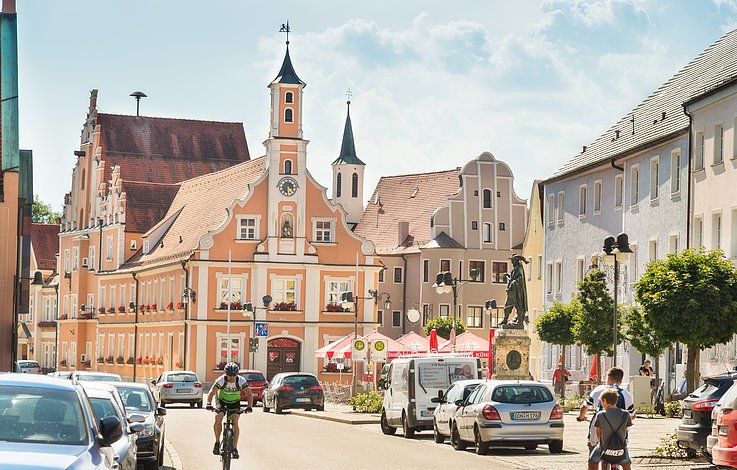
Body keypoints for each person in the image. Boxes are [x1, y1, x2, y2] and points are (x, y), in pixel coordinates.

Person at [576, 367, 635, 451]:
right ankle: (624, 462)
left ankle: (594, 460)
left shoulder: (598, 390)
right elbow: (632, 415)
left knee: (593, 454)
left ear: (609, 378)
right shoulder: (626, 394)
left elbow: (585, 407)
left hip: (599, 430)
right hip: (619, 432)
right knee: (622, 453)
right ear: (621, 380)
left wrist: (581, 417)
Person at [206, 362, 253, 459]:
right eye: (229, 375)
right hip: (221, 401)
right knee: (218, 418)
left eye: (234, 375)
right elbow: (212, 391)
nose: (231, 377)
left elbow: (248, 393)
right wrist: (208, 403)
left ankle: (235, 448)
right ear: (225, 373)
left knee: (235, 421)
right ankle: (217, 442)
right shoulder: (221, 380)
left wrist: (249, 406)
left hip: (234, 402)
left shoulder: (241, 381)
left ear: (237, 374)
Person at [587, 388, 633, 470]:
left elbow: (598, 434)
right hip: (620, 448)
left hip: (604, 448)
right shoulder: (625, 414)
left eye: (601, 401)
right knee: (626, 465)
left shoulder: (600, 415)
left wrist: (600, 443)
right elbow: (626, 430)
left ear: (604, 400)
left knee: (592, 462)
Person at [500, 254, 529, 327]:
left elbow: (520, 279)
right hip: (513, 290)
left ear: (516, 261)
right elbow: (514, 278)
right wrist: (509, 276)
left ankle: (519, 322)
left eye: (513, 261)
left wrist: (513, 282)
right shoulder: (515, 269)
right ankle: (505, 320)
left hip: (517, 291)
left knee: (519, 306)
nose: (512, 262)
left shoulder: (519, 268)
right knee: (508, 305)